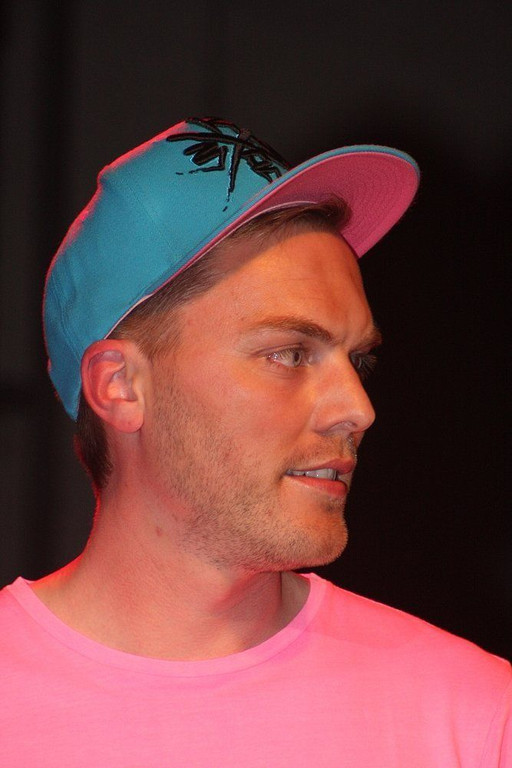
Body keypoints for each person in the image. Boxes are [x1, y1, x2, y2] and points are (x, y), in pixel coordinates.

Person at [1, 117, 510, 766]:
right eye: (290, 353)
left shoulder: (473, 712)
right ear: (121, 386)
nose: (358, 409)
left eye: (359, 361)